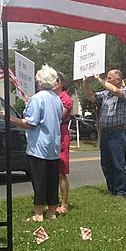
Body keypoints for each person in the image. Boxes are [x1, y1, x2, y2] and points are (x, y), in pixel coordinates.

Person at [5, 66, 64, 221]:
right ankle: (52, 211)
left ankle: (38, 213)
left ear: (39, 81)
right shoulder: (57, 99)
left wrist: (11, 118)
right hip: (53, 146)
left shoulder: (37, 98)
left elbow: (31, 123)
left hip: (39, 146)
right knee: (52, 180)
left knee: (39, 180)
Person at [90, 69, 126, 197]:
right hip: (105, 133)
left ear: (118, 80)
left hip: (117, 132)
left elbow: (115, 91)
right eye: (106, 78)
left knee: (118, 164)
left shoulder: (125, 92)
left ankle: (121, 191)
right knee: (106, 163)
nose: (107, 80)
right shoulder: (105, 94)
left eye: (109, 78)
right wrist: (86, 83)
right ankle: (111, 188)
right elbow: (91, 96)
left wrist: (99, 79)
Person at [54, 72, 73, 212]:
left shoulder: (65, 98)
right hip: (51, 134)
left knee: (61, 171)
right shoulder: (50, 97)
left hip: (61, 133)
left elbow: (59, 116)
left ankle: (64, 204)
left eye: (56, 80)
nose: (53, 82)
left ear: (62, 83)